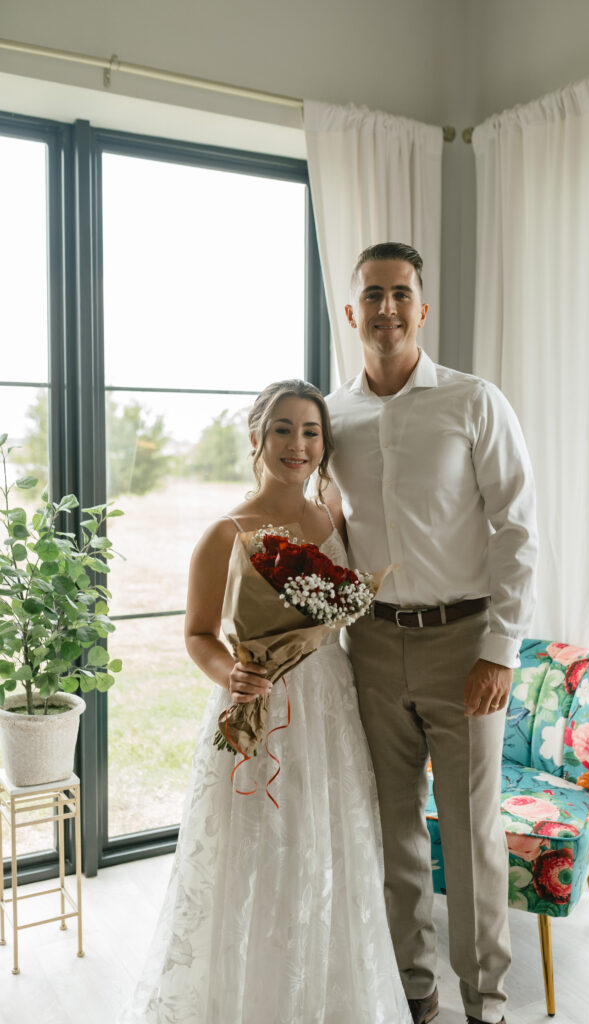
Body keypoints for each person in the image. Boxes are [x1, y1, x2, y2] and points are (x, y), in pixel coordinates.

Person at [117, 379, 412, 1024]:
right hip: (259, 705)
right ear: (256, 438)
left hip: (331, 704)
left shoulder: (335, 518)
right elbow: (198, 634)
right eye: (283, 429)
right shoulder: (226, 533)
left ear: (324, 446)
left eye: (311, 433)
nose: (297, 445)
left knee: (329, 842)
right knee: (258, 848)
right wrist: (233, 676)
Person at [326, 243, 538, 1024]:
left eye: (400, 294)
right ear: (351, 313)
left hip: (464, 644)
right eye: (372, 296)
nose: (386, 309)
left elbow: (517, 529)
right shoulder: (332, 415)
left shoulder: (473, 400)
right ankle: (413, 993)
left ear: (421, 308)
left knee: (470, 836)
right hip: (371, 648)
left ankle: (484, 1003)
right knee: (393, 828)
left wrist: (500, 650)